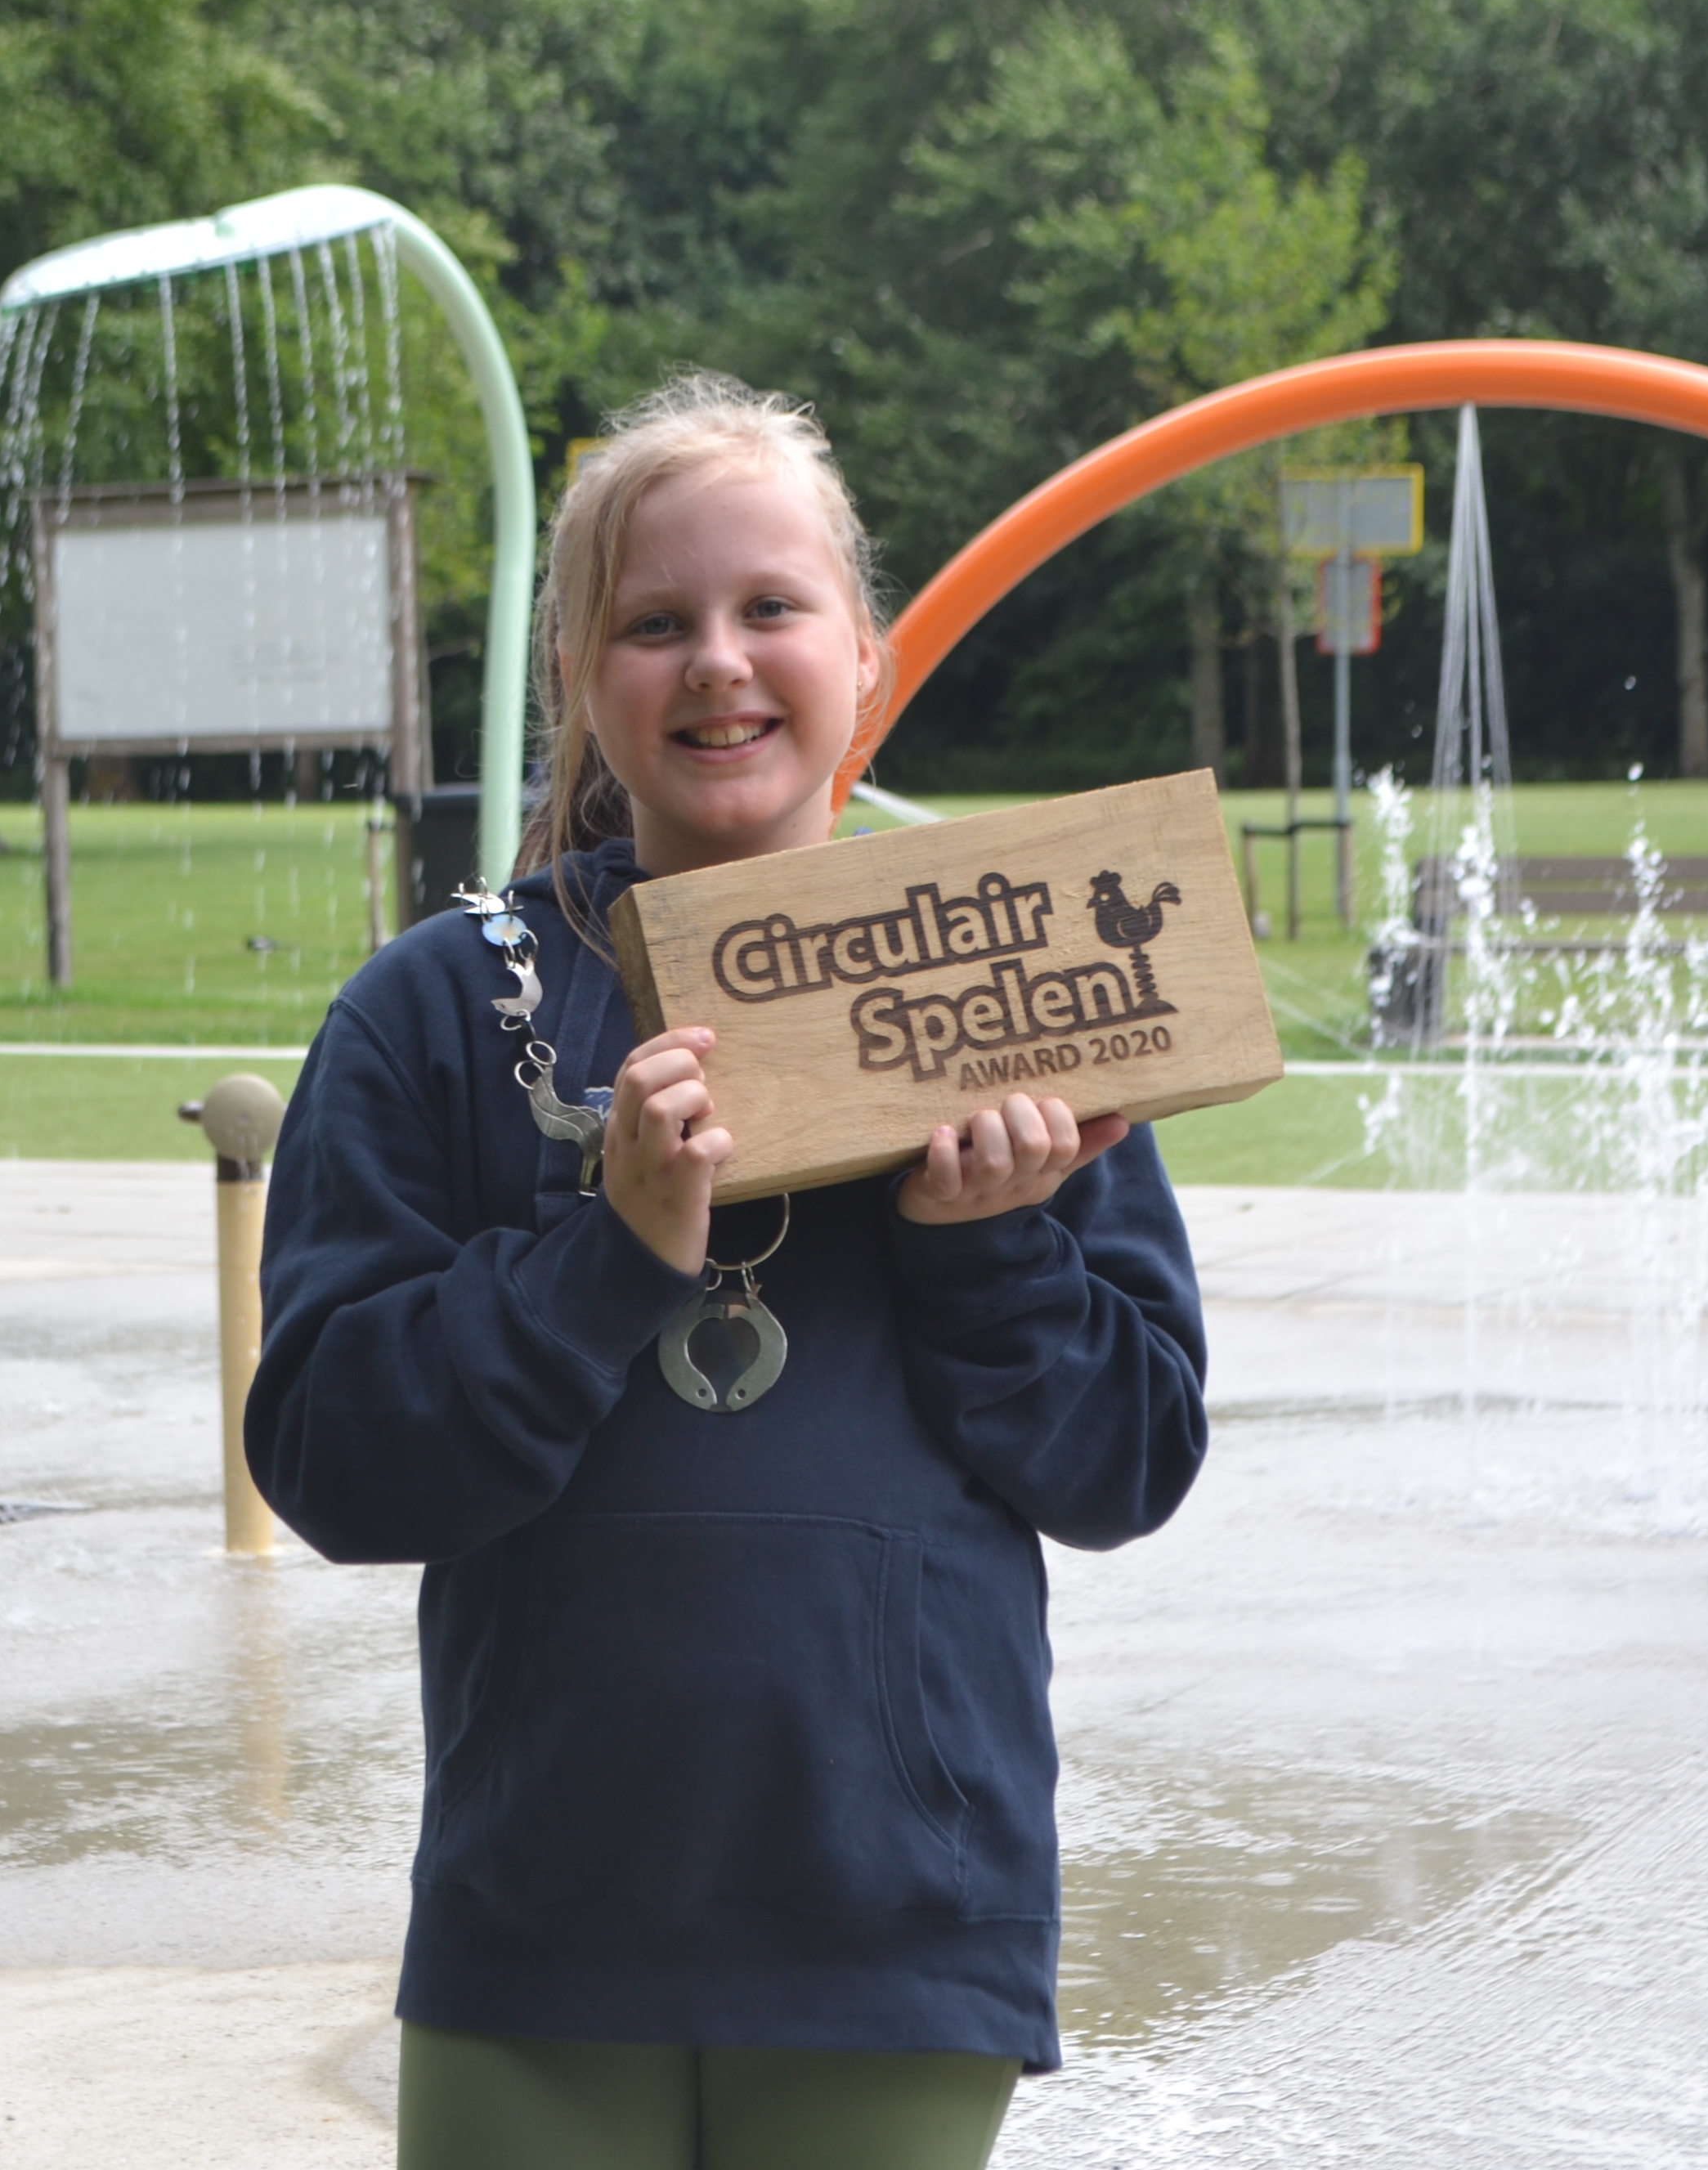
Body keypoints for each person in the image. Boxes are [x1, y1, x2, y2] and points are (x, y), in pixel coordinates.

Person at [247, 375, 1210, 2170]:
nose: (718, 662)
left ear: (863, 646)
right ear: (581, 683)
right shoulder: (444, 1012)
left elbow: (1132, 1459)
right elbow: (329, 1458)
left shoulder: (1007, 982)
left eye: (772, 607)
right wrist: (603, 1256)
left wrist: (987, 1252)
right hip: (542, 1919)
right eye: (653, 622)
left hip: (899, 1920)